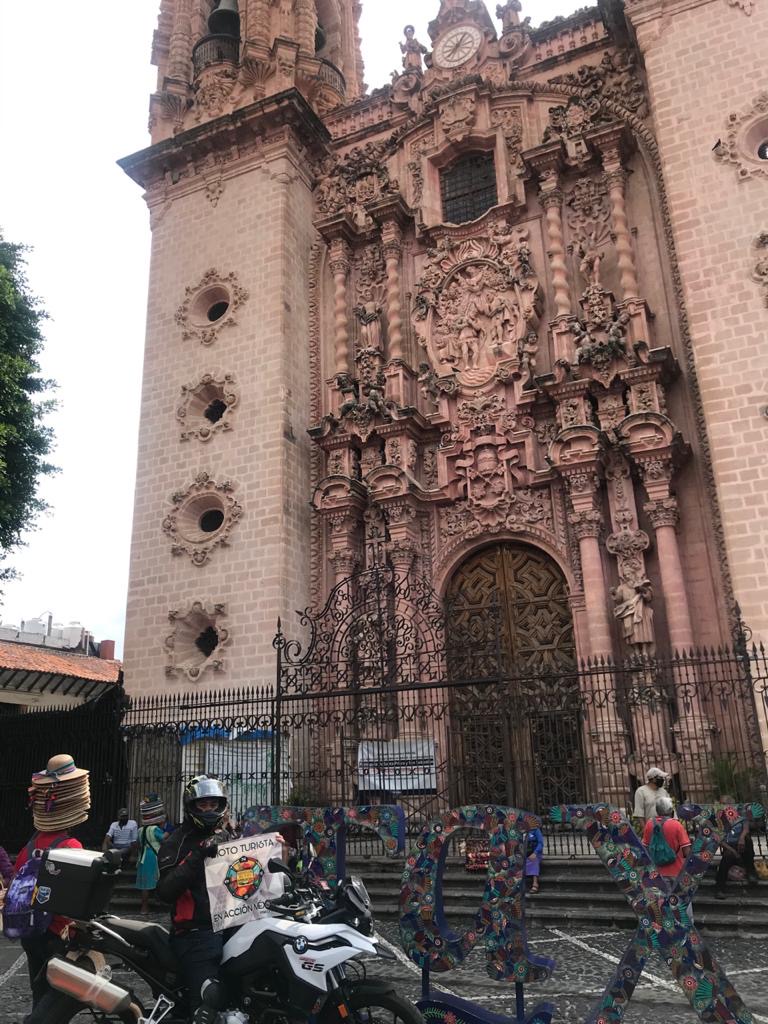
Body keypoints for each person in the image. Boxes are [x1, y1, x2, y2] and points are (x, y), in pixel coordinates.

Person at [13, 754, 90, 1013]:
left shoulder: (28, 847)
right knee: (56, 997)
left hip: (30, 931)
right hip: (57, 933)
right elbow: (77, 898)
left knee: (38, 987)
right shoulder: (71, 847)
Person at [156, 775, 232, 1024]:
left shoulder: (229, 836)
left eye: (213, 804)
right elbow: (165, 892)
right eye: (203, 805)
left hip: (231, 926)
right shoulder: (175, 842)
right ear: (191, 806)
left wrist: (275, 851)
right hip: (195, 934)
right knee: (210, 1000)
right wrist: (199, 854)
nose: (209, 810)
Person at [713, 793, 759, 900]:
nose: (722, 806)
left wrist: (741, 838)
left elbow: (746, 829)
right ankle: (720, 888)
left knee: (747, 840)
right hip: (729, 846)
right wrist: (733, 851)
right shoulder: (719, 818)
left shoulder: (741, 813)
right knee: (727, 858)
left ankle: (751, 873)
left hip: (741, 844)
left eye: (724, 804)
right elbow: (719, 839)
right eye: (721, 804)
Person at [642, 796, 691, 883]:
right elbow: (687, 852)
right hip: (676, 872)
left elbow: (645, 849)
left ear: (657, 811)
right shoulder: (677, 825)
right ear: (671, 811)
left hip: (655, 872)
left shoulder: (649, 824)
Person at [135, 795, 167, 916]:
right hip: (154, 857)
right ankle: (159, 903)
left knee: (145, 884)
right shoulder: (155, 829)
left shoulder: (140, 830)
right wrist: (167, 833)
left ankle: (144, 908)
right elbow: (163, 840)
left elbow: (138, 844)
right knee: (158, 879)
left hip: (142, 857)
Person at [525, 826, 544, 895]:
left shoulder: (535, 829)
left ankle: (535, 883)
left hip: (534, 852)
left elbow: (540, 843)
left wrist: (535, 853)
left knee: (533, 860)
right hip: (523, 853)